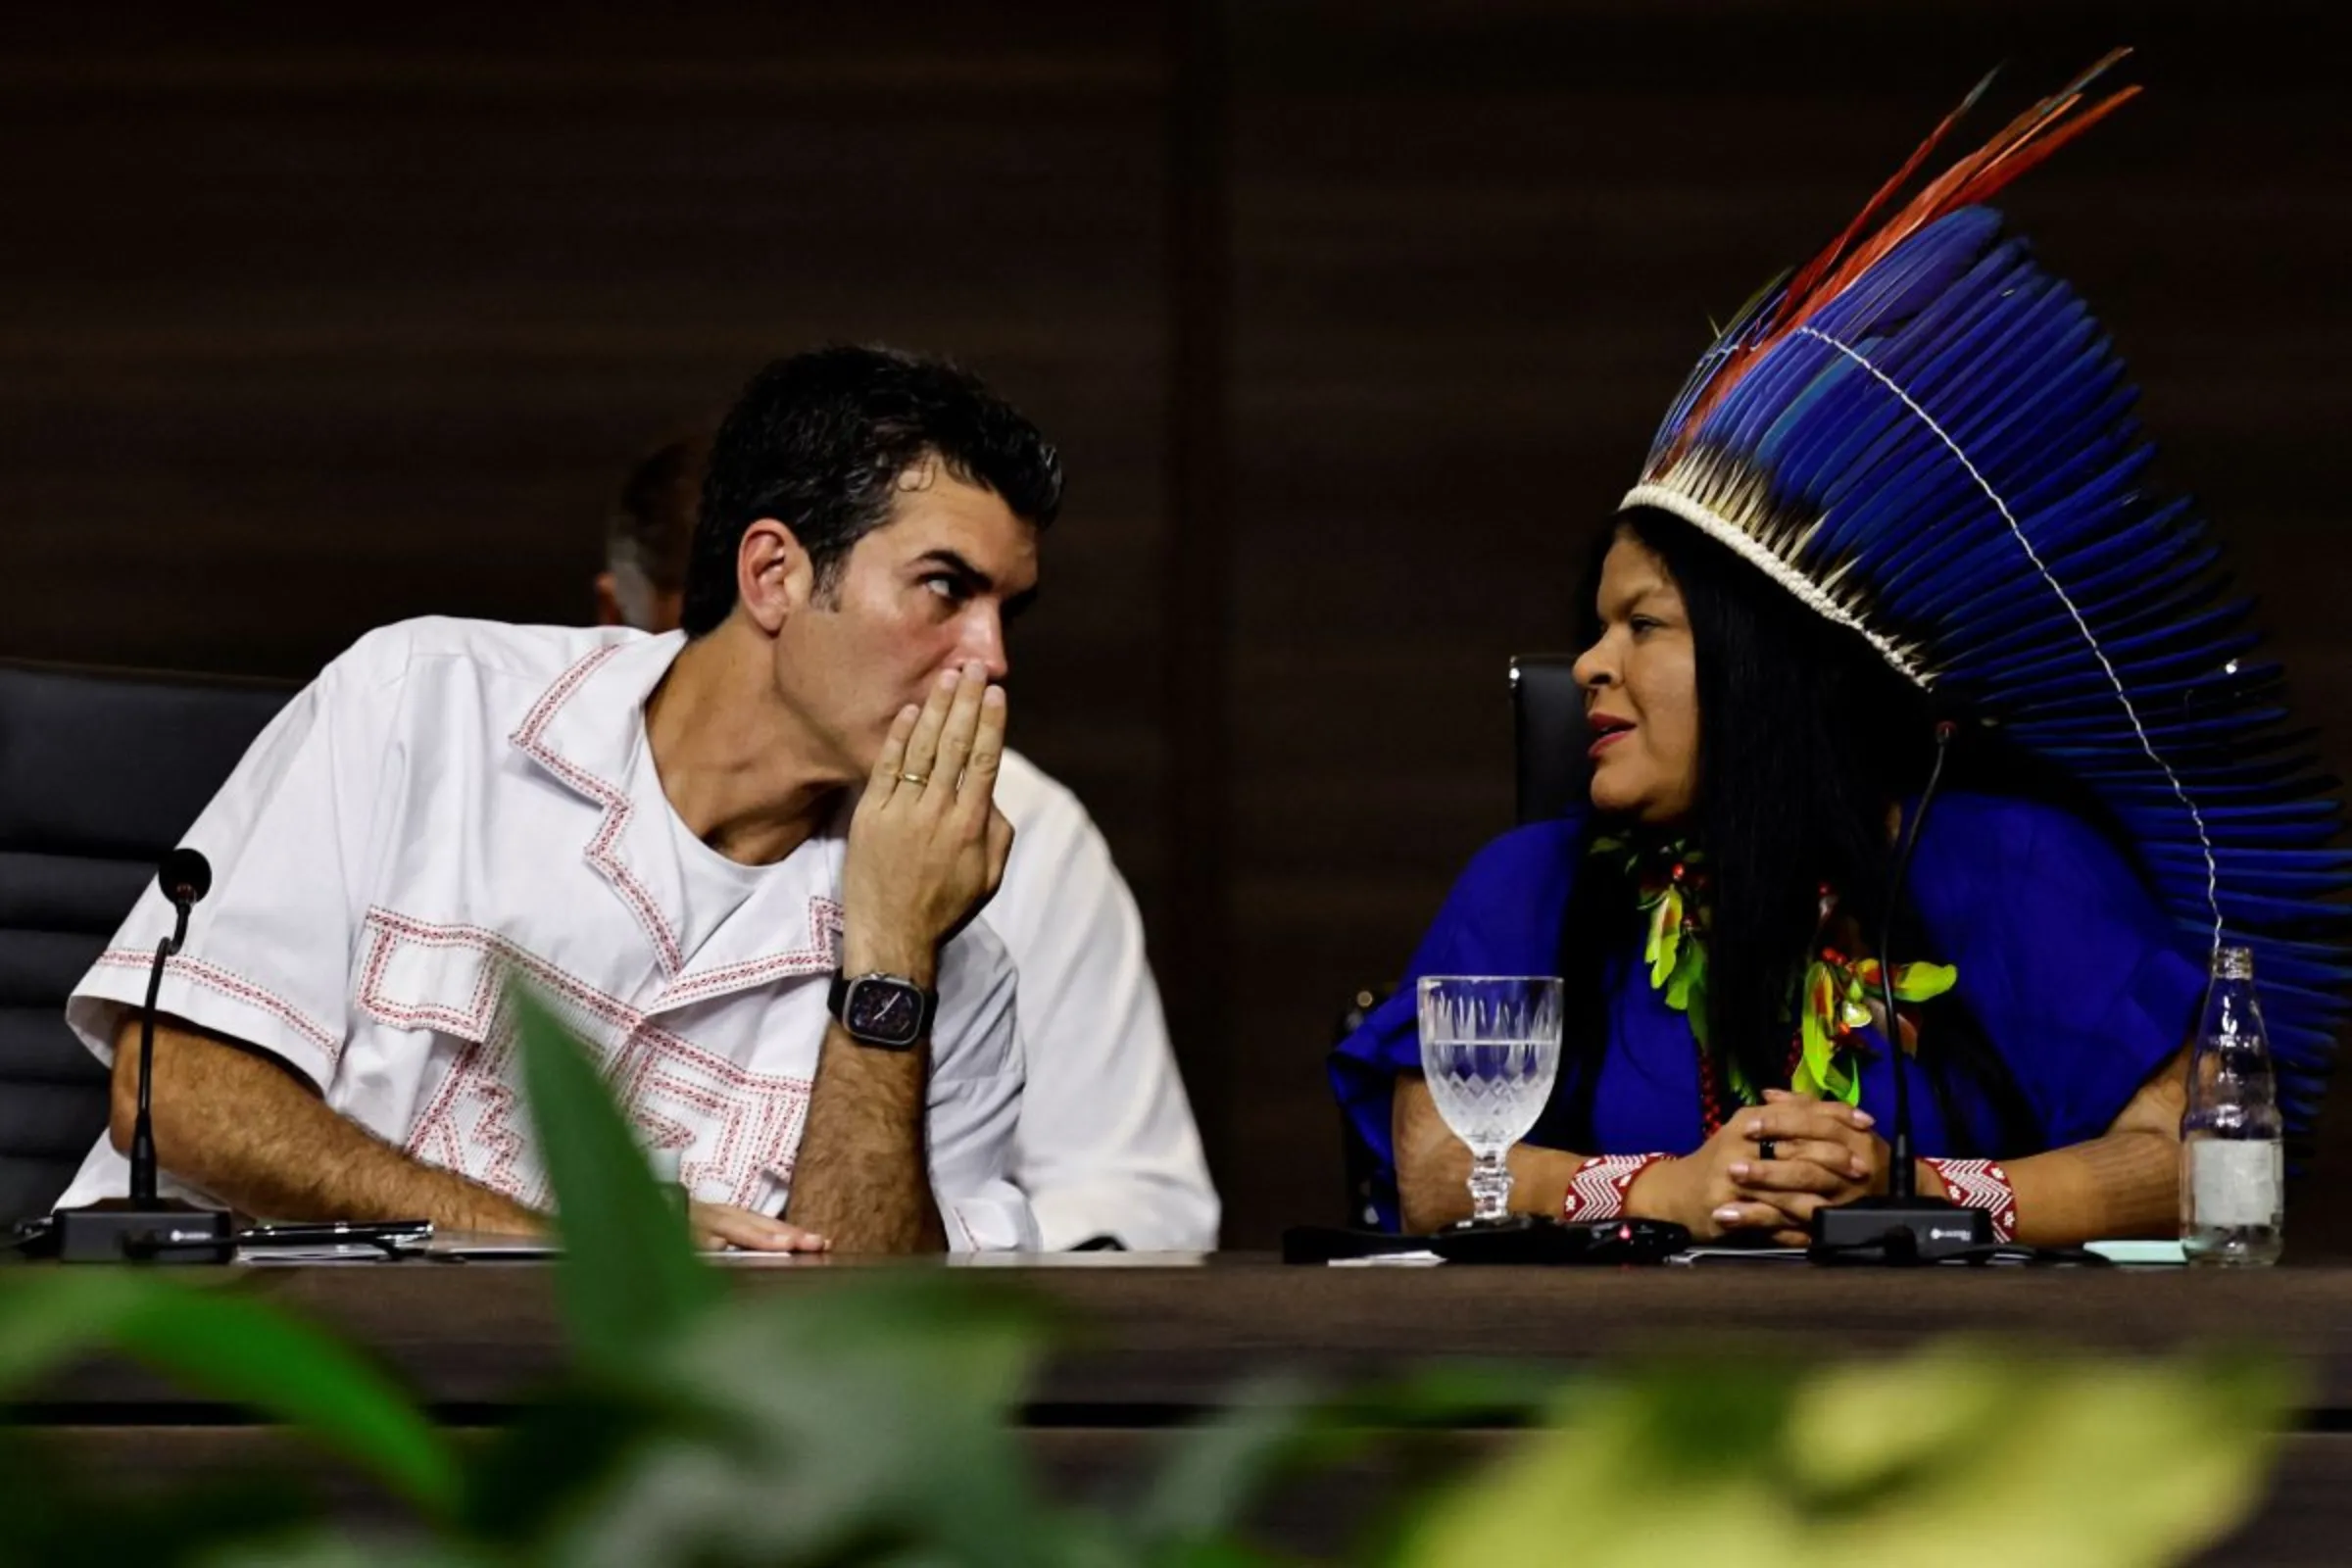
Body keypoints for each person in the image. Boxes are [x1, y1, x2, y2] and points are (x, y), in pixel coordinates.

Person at [1333, 57, 2349, 1250]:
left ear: (1765, 667)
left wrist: (1922, 1193)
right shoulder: (1529, 884)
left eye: (1643, 626)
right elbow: (1437, 1169)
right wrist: (1664, 1187)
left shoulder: (2004, 865)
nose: (1594, 666)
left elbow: (2202, 1160)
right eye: (1593, 631)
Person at [55, 345, 1069, 1253]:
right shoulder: (425, 701)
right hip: (237, 1408)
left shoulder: (950, 963)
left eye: (1007, 612)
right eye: (946, 588)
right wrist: (565, 1242)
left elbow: (877, 1356)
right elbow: (175, 1097)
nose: (990, 660)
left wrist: (889, 960)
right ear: (774, 574)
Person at [596, 434, 1218, 1250]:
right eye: (941, 589)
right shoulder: (448, 729)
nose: (990, 662)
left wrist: (967, 1249)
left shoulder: (1019, 831)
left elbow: (1136, 1205)